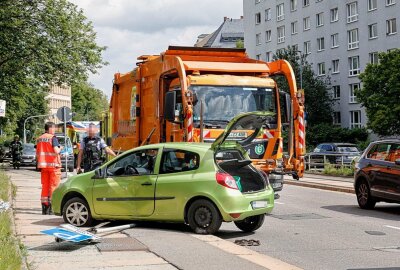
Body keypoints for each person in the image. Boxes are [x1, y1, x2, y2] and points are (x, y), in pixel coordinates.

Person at [36, 122, 63, 215]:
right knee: (54, 186)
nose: (55, 130)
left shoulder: (39, 138)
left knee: (45, 186)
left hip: (44, 166)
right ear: (50, 128)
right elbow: (56, 151)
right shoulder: (53, 138)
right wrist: (61, 148)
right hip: (54, 166)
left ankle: (45, 208)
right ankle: (52, 208)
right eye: (54, 128)